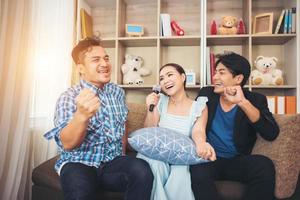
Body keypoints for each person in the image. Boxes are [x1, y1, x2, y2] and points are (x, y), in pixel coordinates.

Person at [44, 38, 153, 200]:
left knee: (142, 169)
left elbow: (123, 125)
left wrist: (122, 155)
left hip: (112, 163)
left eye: (106, 58)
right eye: (96, 60)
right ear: (81, 68)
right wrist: (81, 116)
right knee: (79, 192)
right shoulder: (68, 97)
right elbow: (67, 143)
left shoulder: (117, 92)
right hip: (79, 163)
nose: (105, 63)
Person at [190, 52, 280, 200]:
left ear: (238, 78)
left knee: (264, 165)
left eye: (221, 73)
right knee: (196, 169)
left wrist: (242, 102)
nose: (215, 77)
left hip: (237, 161)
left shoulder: (255, 99)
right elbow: (193, 121)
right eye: (215, 72)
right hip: (209, 158)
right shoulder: (207, 93)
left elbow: (271, 133)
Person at [137, 63, 216, 200]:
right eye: (161, 78)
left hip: (181, 156)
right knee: (156, 166)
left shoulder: (199, 106)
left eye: (170, 75)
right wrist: (151, 108)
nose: (165, 81)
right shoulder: (160, 101)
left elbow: (198, 132)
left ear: (183, 77)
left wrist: (201, 143)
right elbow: (148, 132)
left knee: (181, 174)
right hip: (155, 154)